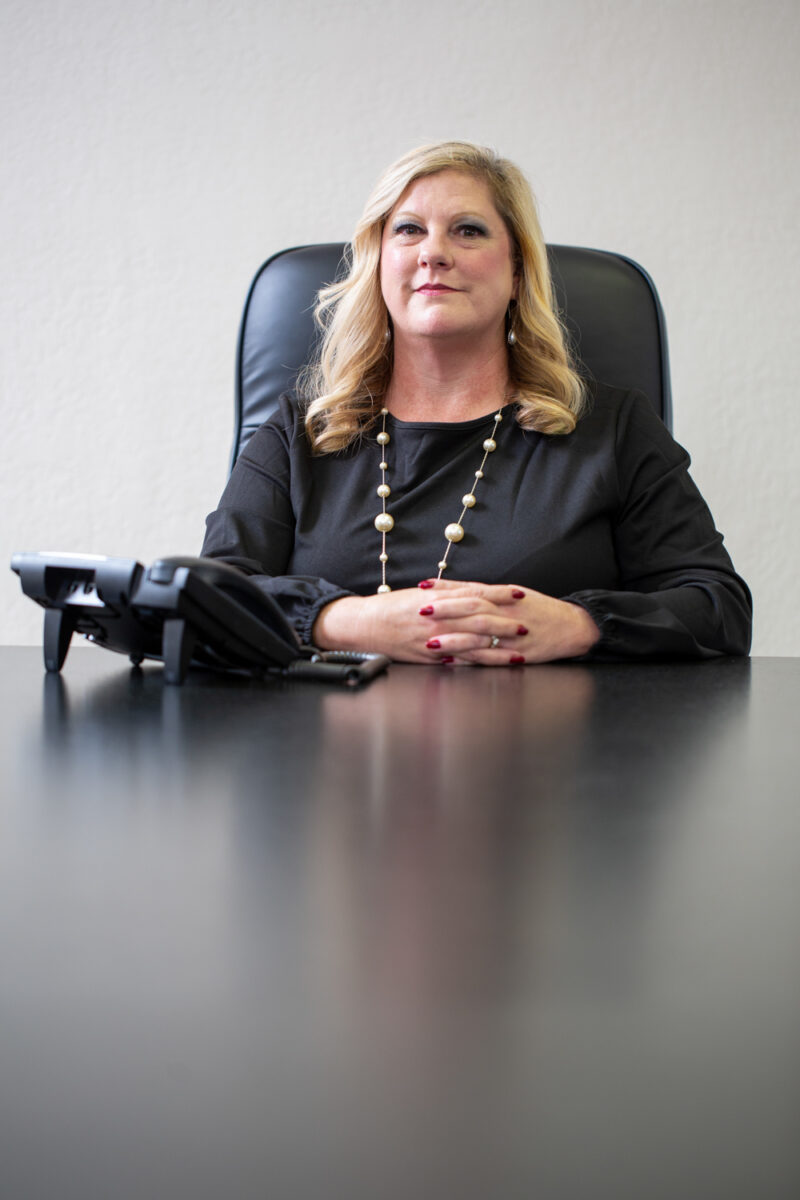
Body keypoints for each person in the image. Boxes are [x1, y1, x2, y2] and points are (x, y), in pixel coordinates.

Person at [201, 141, 752, 665]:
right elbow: (209, 599)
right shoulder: (302, 431)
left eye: (468, 230)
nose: (434, 253)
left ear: (517, 272)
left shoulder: (614, 429)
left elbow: (718, 608)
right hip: (332, 754)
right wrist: (345, 621)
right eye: (409, 230)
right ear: (377, 265)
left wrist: (580, 625)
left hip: (553, 754)